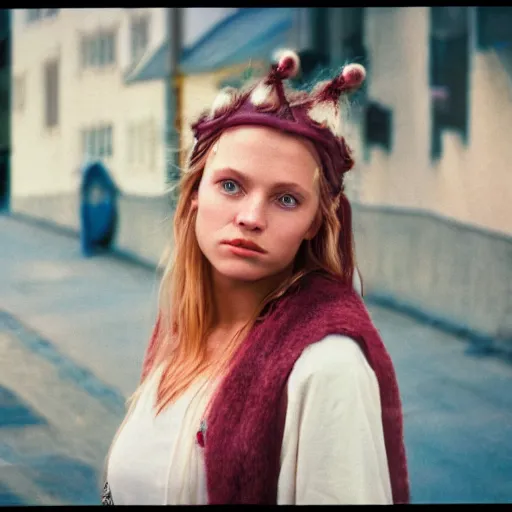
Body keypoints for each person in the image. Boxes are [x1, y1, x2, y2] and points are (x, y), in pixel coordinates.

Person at [101, 49, 409, 505]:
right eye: (230, 185)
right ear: (193, 196)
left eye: (286, 199)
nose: (250, 217)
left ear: (314, 223)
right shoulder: (180, 331)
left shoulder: (327, 368)